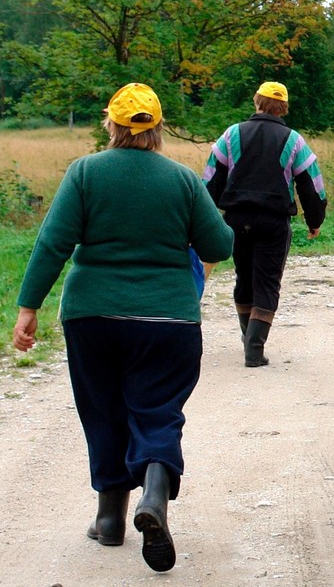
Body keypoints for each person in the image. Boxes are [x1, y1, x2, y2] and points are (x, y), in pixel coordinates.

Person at [11, 83, 234, 573]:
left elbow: (53, 243)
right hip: (168, 319)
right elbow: (218, 246)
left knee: (103, 410)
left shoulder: (85, 172)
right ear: (157, 128)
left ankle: (109, 520)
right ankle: (153, 494)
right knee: (156, 409)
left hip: (93, 316)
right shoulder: (181, 180)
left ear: (109, 124)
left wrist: (28, 307)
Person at [202, 81, 327, 367]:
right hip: (273, 221)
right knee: (267, 282)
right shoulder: (293, 140)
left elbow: (210, 179)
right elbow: (311, 185)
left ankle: (248, 338)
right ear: (283, 108)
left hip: (236, 219)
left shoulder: (231, 134)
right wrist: (314, 219)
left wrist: (206, 221)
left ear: (256, 102)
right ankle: (254, 349)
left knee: (243, 278)